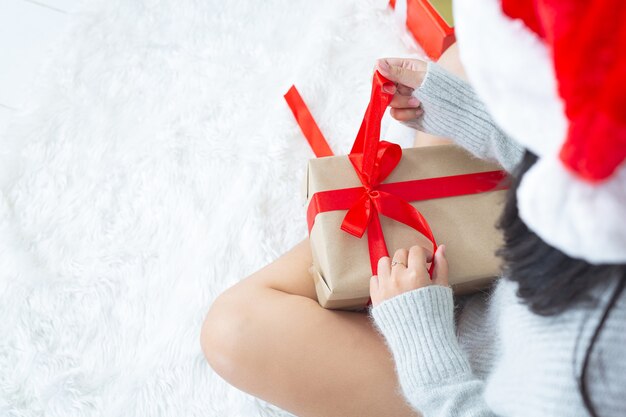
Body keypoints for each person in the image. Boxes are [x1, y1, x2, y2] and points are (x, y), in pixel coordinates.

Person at [201, 1, 626, 416]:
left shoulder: (592, 376)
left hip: (465, 373)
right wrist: (466, 114)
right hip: (507, 266)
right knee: (464, 60)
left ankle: (360, 241)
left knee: (232, 330)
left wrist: (421, 334)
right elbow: (587, 159)